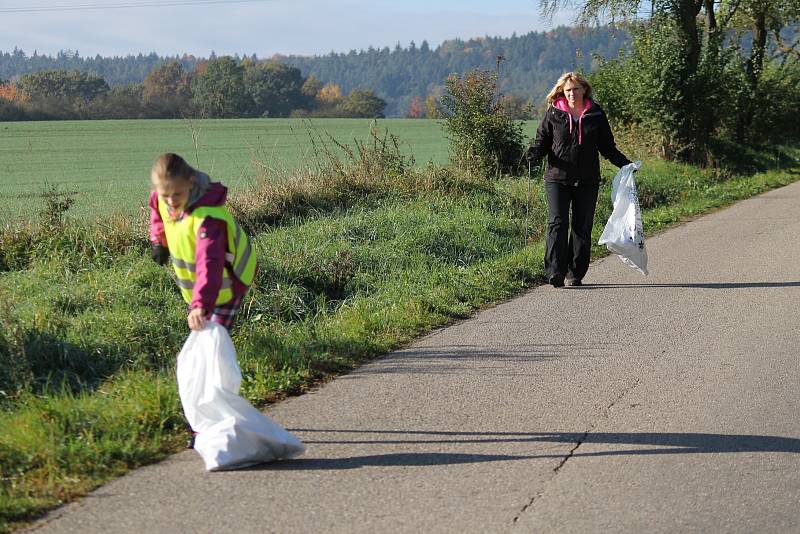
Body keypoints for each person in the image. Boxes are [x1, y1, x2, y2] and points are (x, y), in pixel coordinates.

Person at [526, 72, 633, 287]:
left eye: (575, 89)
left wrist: (625, 164)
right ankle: (555, 271)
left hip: (587, 179)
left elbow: (607, 146)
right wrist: (532, 155)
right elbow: (542, 142)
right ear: (562, 92)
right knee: (557, 222)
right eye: (567, 90)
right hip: (557, 178)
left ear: (584, 89)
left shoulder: (596, 114)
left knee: (582, 227)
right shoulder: (554, 113)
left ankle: (575, 273)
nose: (572, 93)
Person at [148, 153, 257, 331]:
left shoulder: (207, 221)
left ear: (191, 183)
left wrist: (200, 306)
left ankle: (222, 358)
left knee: (215, 332)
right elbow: (157, 211)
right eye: (165, 194)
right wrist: (159, 241)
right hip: (201, 288)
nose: (170, 201)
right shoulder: (164, 198)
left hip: (230, 281)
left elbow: (210, 264)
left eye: (177, 194)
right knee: (202, 329)